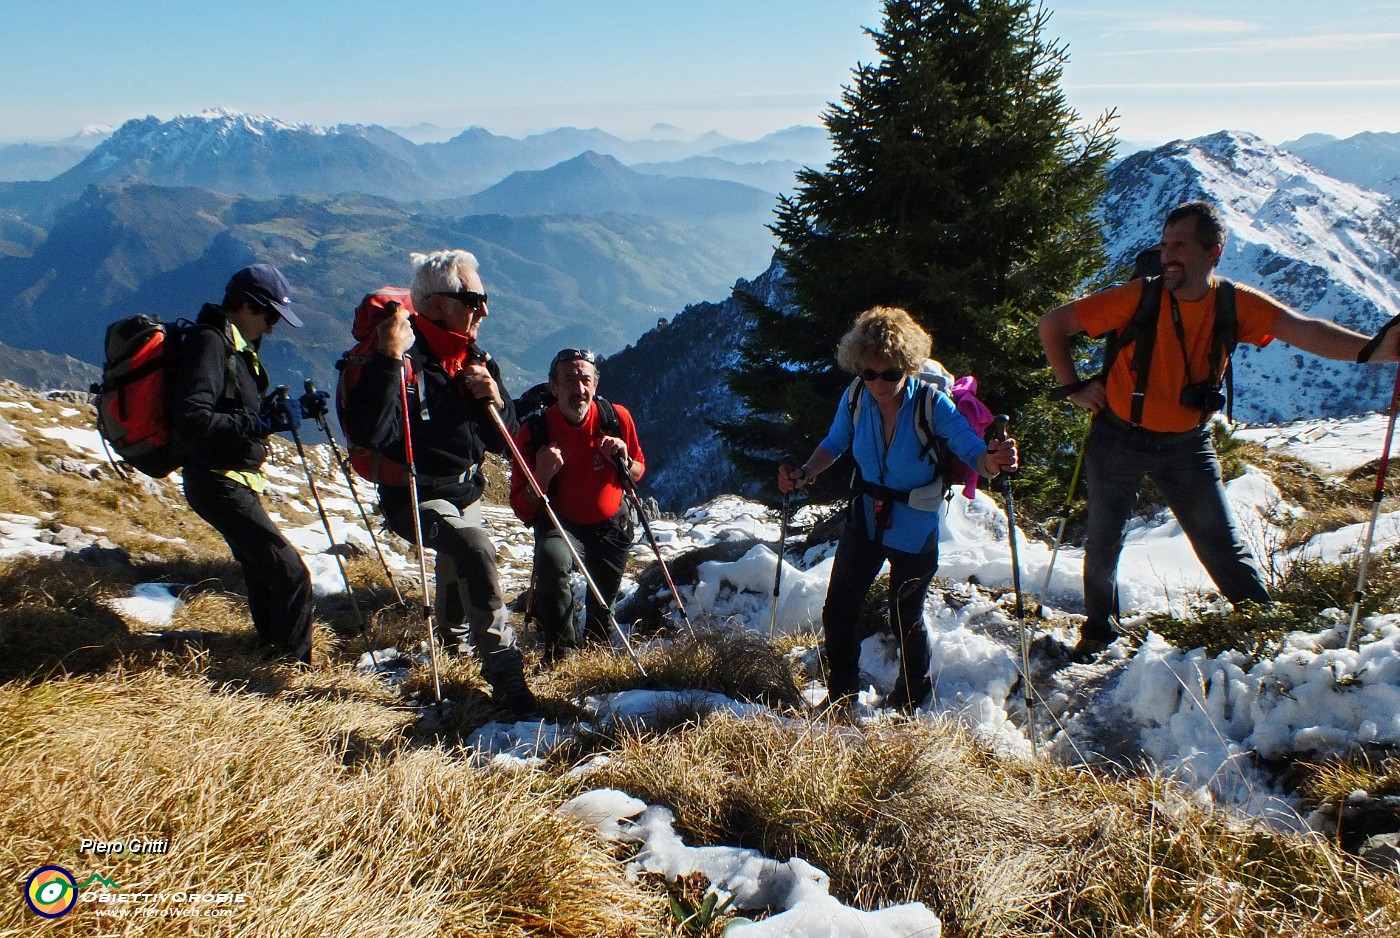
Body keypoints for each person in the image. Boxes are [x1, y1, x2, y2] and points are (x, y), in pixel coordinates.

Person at [1039, 199, 1400, 659]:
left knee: (1220, 544)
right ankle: (1098, 632)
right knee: (1104, 538)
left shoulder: (1234, 303)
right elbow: (1053, 324)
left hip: (1186, 444)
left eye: (1181, 245)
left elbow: (1304, 330)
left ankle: (1266, 632)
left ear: (1214, 252)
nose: (1169, 254)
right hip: (1119, 435)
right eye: (1166, 244)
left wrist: (1373, 352)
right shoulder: (1138, 296)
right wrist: (1072, 387)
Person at [778, 307, 1018, 709]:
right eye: (869, 373)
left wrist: (995, 460)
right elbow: (835, 441)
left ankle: (913, 695)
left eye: (889, 373)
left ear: (907, 366)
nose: (878, 383)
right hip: (865, 520)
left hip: (915, 526)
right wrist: (804, 472)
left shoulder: (932, 404)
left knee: (906, 615)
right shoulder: (856, 396)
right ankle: (841, 698)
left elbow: (973, 452)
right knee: (839, 609)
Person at [343, 249, 536, 715]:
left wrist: (496, 399)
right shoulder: (401, 360)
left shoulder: (471, 358)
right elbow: (370, 433)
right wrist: (390, 357)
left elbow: (502, 438)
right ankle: (507, 677)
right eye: (473, 299)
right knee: (473, 548)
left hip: (464, 489)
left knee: (458, 570)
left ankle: (451, 648)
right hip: (414, 494)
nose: (484, 310)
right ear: (435, 303)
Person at [172, 263, 315, 663]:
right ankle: (291, 670)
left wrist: (290, 411)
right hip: (218, 481)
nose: (272, 327)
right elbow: (193, 418)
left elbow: (236, 413)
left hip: (229, 479)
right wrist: (262, 421)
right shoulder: (211, 344)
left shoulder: (234, 344)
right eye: (270, 316)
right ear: (247, 307)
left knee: (263, 571)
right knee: (291, 574)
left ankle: (271, 651)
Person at [509, 348, 644, 663]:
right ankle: (561, 653)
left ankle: (595, 655)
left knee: (603, 604)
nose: (579, 389)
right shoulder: (535, 431)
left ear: (595, 385)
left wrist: (624, 462)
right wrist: (542, 474)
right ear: (553, 388)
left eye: (585, 379)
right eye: (569, 380)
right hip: (561, 524)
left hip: (612, 525)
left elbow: (638, 469)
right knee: (552, 560)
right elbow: (521, 506)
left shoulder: (616, 419)